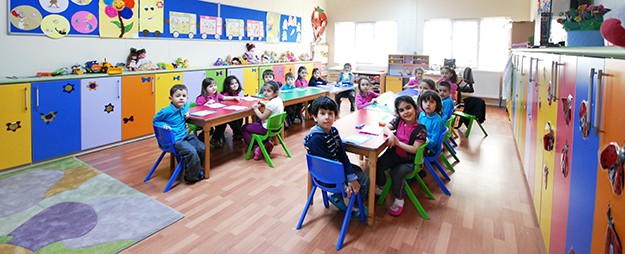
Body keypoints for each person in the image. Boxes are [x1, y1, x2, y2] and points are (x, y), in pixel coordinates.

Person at [304, 96, 369, 215]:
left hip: (334, 170)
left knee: (357, 170)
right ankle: (351, 204)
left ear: (335, 116)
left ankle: (342, 196)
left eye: (330, 113)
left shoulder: (333, 131)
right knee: (365, 178)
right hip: (327, 177)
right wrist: (344, 184)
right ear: (314, 117)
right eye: (322, 113)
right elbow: (328, 167)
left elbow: (342, 154)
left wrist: (351, 176)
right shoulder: (315, 139)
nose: (327, 117)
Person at [374, 95, 427, 216]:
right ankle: (381, 186)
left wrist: (397, 142)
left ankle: (399, 199)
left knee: (396, 174)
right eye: (401, 110)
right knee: (378, 163)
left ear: (415, 108)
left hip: (409, 160)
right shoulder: (399, 120)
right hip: (395, 154)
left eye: (408, 108)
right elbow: (386, 127)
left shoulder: (420, 129)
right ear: (398, 113)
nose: (406, 112)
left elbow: (414, 149)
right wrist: (391, 135)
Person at [153, 84, 205, 183]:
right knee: (192, 151)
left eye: (184, 96)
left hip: (185, 135)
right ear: (170, 98)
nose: (181, 98)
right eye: (178, 96)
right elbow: (155, 120)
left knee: (202, 147)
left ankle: (194, 169)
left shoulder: (185, 105)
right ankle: (191, 177)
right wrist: (163, 125)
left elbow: (188, 106)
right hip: (176, 140)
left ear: (187, 98)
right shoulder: (166, 111)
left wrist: (188, 113)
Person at [242, 81, 284, 160]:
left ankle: (256, 148)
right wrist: (265, 105)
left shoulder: (271, 104)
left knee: (245, 128)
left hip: (266, 129)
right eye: (264, 90)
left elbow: (262, 117)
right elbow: (271, 109)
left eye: (268, 91)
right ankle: (265, 143)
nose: (265, 93)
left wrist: (255, 108)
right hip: (277, 128)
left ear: (276, 92)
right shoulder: (278, 100)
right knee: (256, 122)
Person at [195, 77, 240, 148]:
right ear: (205, 88)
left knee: (223, 123)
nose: (214, 88)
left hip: (215, 117)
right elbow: (197, 109)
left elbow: (224, 97)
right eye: (210, 86)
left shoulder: (216, 95)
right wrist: (206, 105)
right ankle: (199, 141)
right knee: (211, 129)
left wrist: (233, 98)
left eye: (215, 85)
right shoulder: (201, 98)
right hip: (204, 120)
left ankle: (214, 139)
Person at [219, 75, 245, 141]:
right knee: (235, 121)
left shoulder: (235, 93)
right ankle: (238, 134)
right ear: (227, 86)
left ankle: (237, 134)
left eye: (236, 83)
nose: (235, 85)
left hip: (234, 112)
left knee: (240, 117)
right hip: (226, 115)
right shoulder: (225, 94)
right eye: (232, 84)